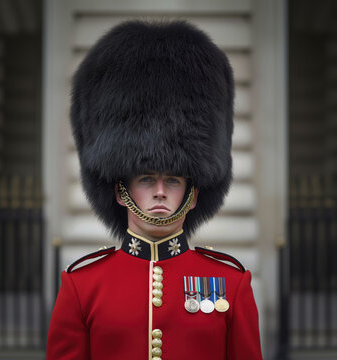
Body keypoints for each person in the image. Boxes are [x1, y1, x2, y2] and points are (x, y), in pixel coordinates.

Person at [46, 21, 262, 360]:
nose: (160, 191)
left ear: (193, 193)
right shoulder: (82, 286)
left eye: (173, 180)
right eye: (146, 179)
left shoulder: (231, 284)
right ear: (120, 190)